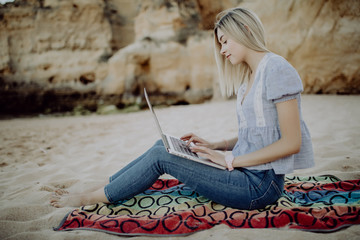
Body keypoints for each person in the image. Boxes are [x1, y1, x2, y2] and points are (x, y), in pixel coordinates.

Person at [50, 7, 314, 210]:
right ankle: (107, 185)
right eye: (220, 43)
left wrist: (230, 159)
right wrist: (215, 144)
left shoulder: (277, 69)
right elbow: (258, 133)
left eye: (224, 41)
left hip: (259, 186)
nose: (222, 50)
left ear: (244, 29)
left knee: (161, 158)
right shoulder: (249, 78)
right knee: (163, 144)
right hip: (245, 172)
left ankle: (91, 198)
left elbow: (291, 142)